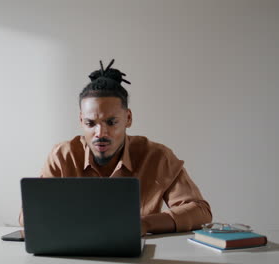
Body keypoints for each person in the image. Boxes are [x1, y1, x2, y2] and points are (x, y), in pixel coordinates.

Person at [19, 59, 212, 235]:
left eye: (111, 122)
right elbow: (27, 216)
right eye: (90, 123)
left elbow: (200, 211)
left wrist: (145, 224)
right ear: (80, 120)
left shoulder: (157, 156)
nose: (100, 133)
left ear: (128, 118)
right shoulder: (62, 156)